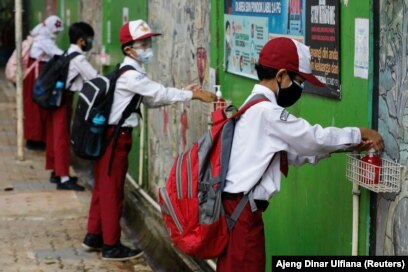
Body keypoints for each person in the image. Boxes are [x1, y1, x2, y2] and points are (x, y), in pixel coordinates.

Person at [217, 37, 384, 272]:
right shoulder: (267, 112)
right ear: (281, 76)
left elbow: (290, 154)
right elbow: (313, 139)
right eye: (299, 81)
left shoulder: (253, 105)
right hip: (241, 215)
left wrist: (344, 147)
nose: (301, 88)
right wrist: (357, 134)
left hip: (238, 212)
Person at [81, 19, 216, 261]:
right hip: (115, 140)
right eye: (143, 43)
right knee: (112, 193)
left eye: (148, 42)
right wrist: (192, 95)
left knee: (104, 189)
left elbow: (152, 100)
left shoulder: (132, 74)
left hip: (111, 138)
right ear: (129, 49)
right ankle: (111, 245)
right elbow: (158, 93)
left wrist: (185, 91)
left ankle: (94, 235)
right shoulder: (131, 75)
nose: (148, 47)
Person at [46, 22, 98, 190]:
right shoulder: (78, 58)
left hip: (56, 98)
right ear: (82, 41)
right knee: (62, 137)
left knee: (56, 135)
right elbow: (94, 77)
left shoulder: (67, 53)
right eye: (89, 39)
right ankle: (63, 178)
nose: (90, 42)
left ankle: (56, 172)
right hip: (63, 100)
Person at [24, 15, 64, 150]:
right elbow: (58, 53)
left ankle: (35, 138)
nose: (56, 35)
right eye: (55, 32)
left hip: (38, 75)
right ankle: (35, 139)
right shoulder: (43, 40)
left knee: (34, 107)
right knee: (36, 107)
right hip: (38, 76)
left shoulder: (40, 37)